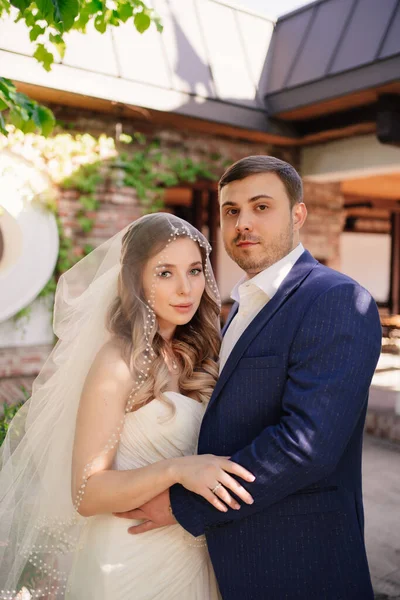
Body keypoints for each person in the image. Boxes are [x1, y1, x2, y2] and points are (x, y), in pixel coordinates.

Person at [117, 156, 382, 600]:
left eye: (262, 207)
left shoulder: (336, 299)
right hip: (230, 561)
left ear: (298, 215)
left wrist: (185, 506)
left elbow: (306, 446)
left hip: (298, 564)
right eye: (231, 210)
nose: (243, 223)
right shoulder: (239, 305)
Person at [0, 213, 256, 600]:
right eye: (165, 273)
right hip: (129, 561)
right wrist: (176, 469)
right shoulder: (117, 361)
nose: (186, 288)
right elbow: (87, 493)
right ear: (135, 279)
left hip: (193, 552)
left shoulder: (202, 353)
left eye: (194, 270)